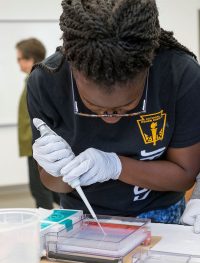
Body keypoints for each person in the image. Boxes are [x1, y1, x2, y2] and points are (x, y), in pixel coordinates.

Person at [27, 0, 200, 228]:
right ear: (73, 68)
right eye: (93, 107)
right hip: (82, 215)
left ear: (148, 69)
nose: (111, 119)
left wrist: (116, 166)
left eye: (126, 107)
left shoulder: (179, 75)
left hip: (159, 213)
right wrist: (56, 170)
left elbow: (185, 176)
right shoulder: (46, 83)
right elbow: (54, 183)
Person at [16, 38, 60, 209]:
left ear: (30, 59)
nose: (18, 63)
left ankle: (46, 229)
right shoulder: (32, 80)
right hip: (33, 145)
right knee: (50, 190)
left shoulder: (36, 81)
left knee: (40, 190)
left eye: (19, 58)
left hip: (37, 145)